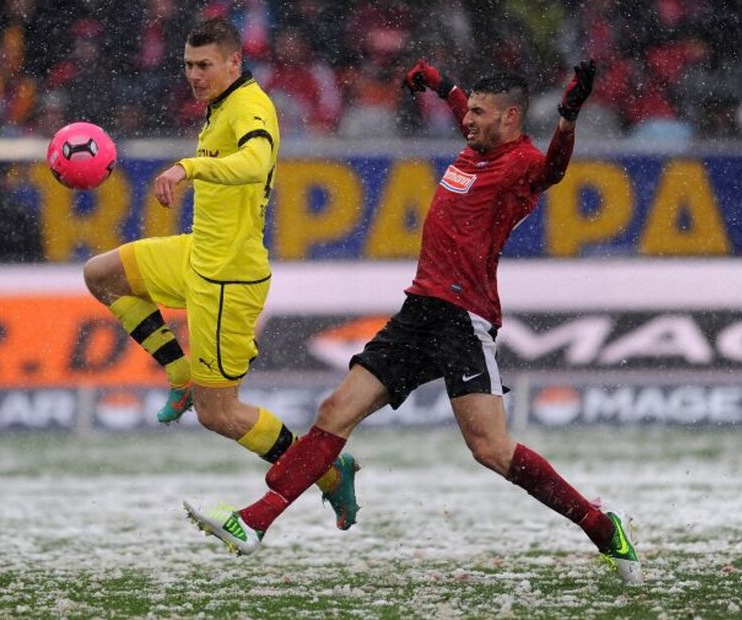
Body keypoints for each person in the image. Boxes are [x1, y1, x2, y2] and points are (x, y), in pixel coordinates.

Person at [183, 56, 644, 586]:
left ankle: (601, 528)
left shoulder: (519, 165)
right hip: (418, 311)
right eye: (466, 110)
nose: (466, 120)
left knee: (491, 450)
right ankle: (252, 523)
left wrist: (568, 116)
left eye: (478, 113)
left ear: (511, 118)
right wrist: (444, 87)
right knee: (335, 410)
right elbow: (464, 110)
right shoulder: (474, 149)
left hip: (461, 319)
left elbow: (554, 170)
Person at [82, 17, 359, 531]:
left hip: (228, 278)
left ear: (234, 62)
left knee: (221, 415)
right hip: (197, 255)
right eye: (188, 64)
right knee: (102, 274)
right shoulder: (218, 108)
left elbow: (257, 161)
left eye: (205, 65)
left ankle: (327, 472)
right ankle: (180, 373)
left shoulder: (251, 106)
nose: (194, 74)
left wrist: (189, 167)